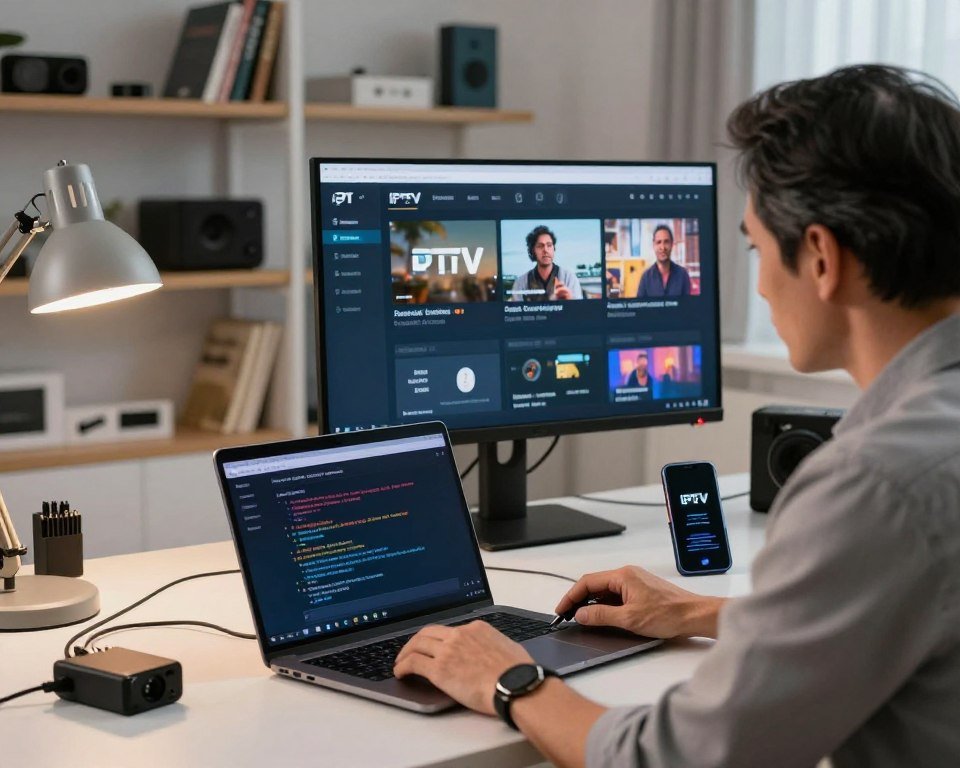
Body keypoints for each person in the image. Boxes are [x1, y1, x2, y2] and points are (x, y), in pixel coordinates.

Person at [394, 64, 960, 767]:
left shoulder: (873, 485)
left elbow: (678, 758)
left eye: (755, 248)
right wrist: (697, 611)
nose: (758, 284)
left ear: (820, 257)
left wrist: (510, 679)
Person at [510, 225, 584, 301]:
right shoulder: (520, 283)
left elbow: (579, 307)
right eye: (540, 246)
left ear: (554, 248)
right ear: (533, 251)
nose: (545, 250)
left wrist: (570, 300)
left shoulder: (569, 278)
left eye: (549, 245)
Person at [636, 224, 692, 298]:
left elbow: (688, 304)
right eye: (659, 242)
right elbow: (640, 304)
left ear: (672, 244)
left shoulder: (683, 275)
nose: (662, 247)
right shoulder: (646, 278)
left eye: (666, 242)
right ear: (654, 245)